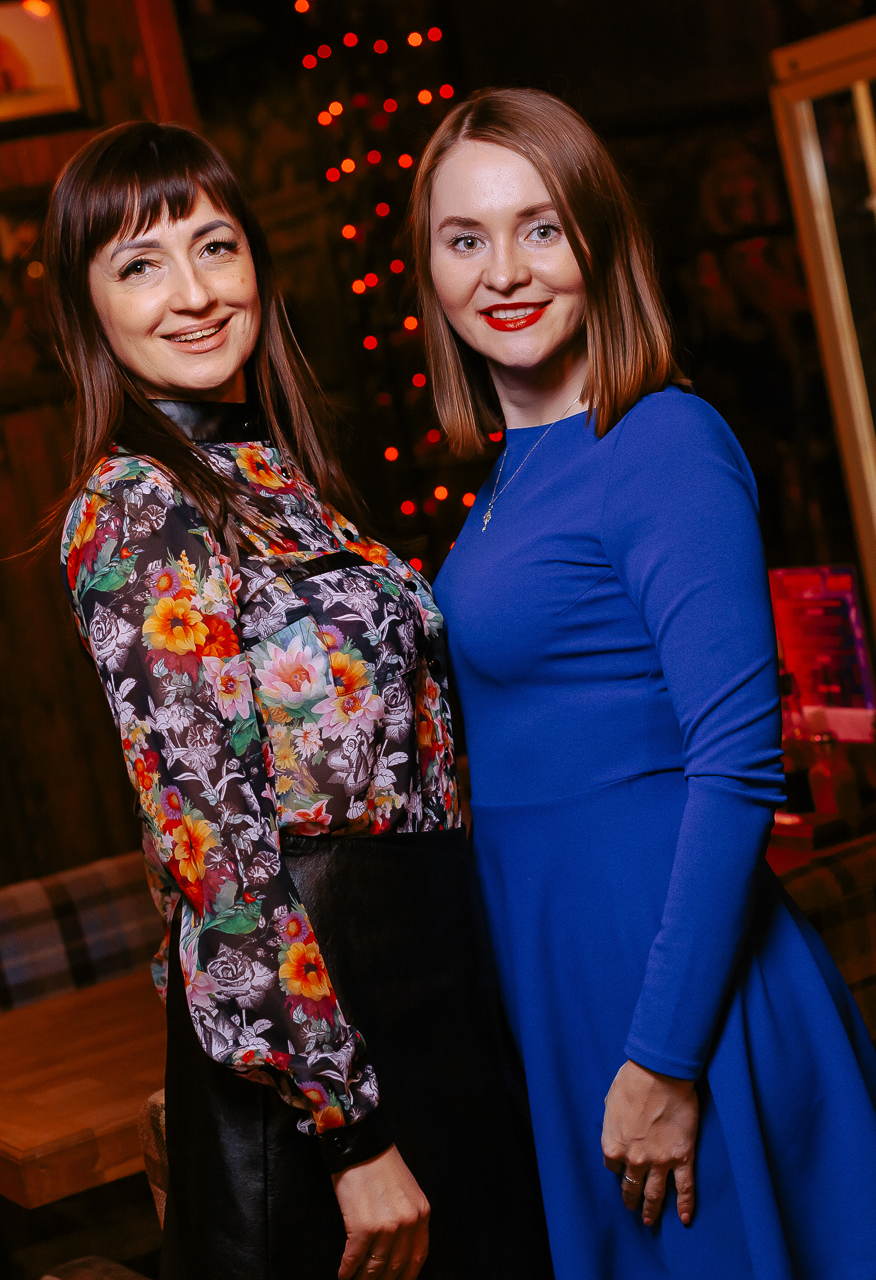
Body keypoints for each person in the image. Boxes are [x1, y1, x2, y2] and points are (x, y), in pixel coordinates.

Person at [417, 88, 876, 1279]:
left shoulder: (659, 440)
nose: (505, 271)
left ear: (600, 239)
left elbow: (739, 762)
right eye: (466, 238)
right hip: (569, 983)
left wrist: (664, 1055)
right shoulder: (509, 476)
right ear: (432, 270)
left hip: (668, 987)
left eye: (541, 227)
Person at [48, 121, 552, 1280]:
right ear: (90, 309)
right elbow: (211, 848)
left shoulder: (279, 475)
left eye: (215, 247)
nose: (193, 293)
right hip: (329, 1049)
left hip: (428, 994)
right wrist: (348, 1128)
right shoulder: (134, 504)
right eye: (140, 264)